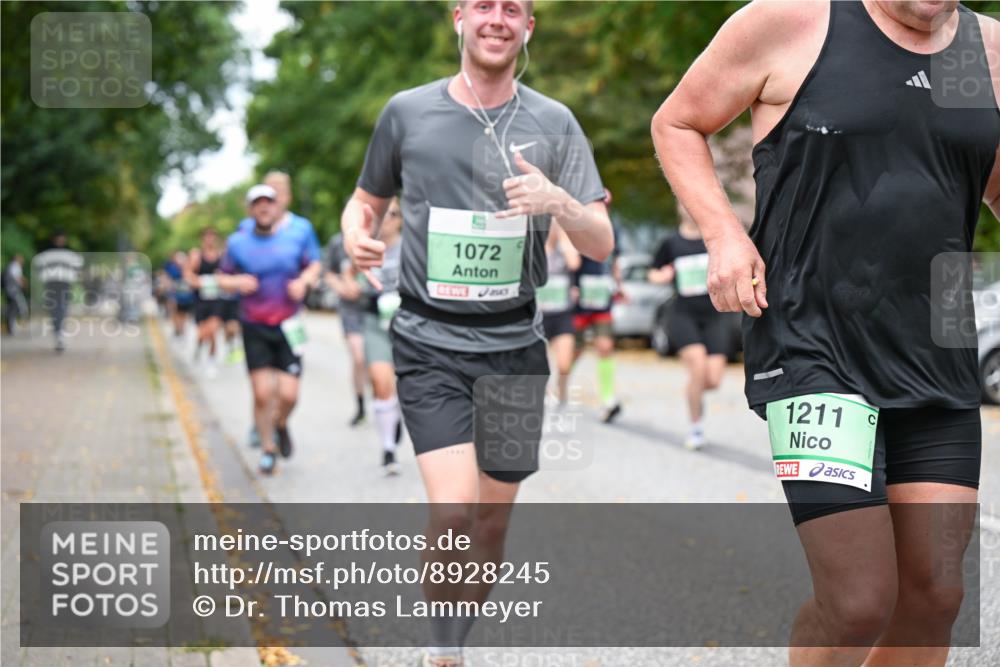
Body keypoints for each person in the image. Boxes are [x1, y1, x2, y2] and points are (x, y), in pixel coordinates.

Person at [651, 1, 999, 665]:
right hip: (815, 346)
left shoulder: (983, 50)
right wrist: (725, 235)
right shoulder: (796, 23)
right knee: (858, 601)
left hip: (938, 350)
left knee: (935, 598)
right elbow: (678, 121)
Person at [342, 2, 613, 664]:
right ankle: (442, 652)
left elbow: (601, 239)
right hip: (429, 342)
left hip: (515, 349)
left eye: (513, 9)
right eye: (484, 5)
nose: (498, 18)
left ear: (528, 29)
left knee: (490, 525)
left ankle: (453, 635)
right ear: (458, 19)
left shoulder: (555, 121)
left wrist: (559, 202)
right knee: (455, 513)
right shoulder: (407, 112)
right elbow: (367, 199)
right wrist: (356, 231)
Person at [219, 184, 322, 475]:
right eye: (258, 203)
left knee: (289, 395)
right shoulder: (238, 242)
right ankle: (267, 448)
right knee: (263, 393)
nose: (264, 207)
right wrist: (236, 283)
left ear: (278, 207)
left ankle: (280, 423)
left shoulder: (297, 235)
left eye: (269, 202)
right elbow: (221, 278)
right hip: (254, 325)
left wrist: (303, 282)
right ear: (250, 209)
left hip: (289, 325)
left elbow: (314, 266)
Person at [648, 212, 731, 450]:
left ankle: (692, 391)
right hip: (683, 314)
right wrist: (662, 276)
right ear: (679, 207)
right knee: (697, 366)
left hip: (714, 315)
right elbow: (652, 272)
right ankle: (696, 429)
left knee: (712, 380)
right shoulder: (671, 242)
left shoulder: (713, 238)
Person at [339, 197, 406, 475]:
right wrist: (348, 285)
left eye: (393, 214)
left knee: (404, 387)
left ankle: (395, 414)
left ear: (401, 218)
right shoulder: (365, 244)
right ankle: (389, 449)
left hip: (409, 323)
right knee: (380, 382)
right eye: (382, 214)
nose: (387, 220)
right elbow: (347, 271)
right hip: (374, 321)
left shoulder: (413, 245)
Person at [571, 187, 623, 423]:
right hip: (580, 299)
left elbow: (615, 261)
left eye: (607, 205)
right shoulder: (579, 229)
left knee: (605, 346)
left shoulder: (614, 230)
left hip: (602, 298)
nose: (604, 209)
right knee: (574, 351)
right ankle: (559, 387)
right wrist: (572, 286)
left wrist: (619, 285)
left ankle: (608, 399)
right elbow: (570, 262)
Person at [325, 231, 368, 426]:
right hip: (350, 309)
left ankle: (385, 403)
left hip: (376, 308)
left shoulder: (379, 236)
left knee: (380, 364)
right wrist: (341, 287)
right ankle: (360, 405)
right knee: (359, 357)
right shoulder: (337, 242)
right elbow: (327, 273)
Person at [538, 222, 580, 406]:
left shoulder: (564, 248)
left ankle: (561, 389)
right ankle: (543, 392)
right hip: (539, 314)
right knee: (539, 364)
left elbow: (575, 263)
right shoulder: (536, 248)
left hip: (562, 313)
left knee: (565, 362)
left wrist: (563, 238)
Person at [32, 231, 83, 352]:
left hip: (65, 284)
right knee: (55, 310)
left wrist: (72, 277)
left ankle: (60, 334)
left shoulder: (69, 253)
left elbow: (77, 267)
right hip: (51, 284)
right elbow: (38, 266)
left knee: (62, 308)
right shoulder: (47, 254)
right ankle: (58, 334)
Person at [185, 227, 225, 377]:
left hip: (216, 299)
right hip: (201, 300)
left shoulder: (221, 255)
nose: (209, 239)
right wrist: (198, 282)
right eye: (206, 237)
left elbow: (228, 273)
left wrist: (221, 279)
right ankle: (198, 347)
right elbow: (187, 274)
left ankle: (211, 361)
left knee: (213, 331)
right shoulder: (196, 255)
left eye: (212, 236)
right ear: (202, 239)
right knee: (203, 333)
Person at [164, 251, 194, 339]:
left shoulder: (187, 269)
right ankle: (177, 328)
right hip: (174, 294)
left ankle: (182, 329)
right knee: (175, 311)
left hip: (186, 296)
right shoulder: (171, 268)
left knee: (184, 313)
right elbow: (167, 278)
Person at [2, 254, 27, 335]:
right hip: (13, 291)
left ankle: (11, 327)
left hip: (10, 290)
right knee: (18, 308)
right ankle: (14, 327)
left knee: (12, 308)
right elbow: (17, 278)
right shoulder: (15, 266)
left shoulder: (11, 266)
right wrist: (24, 283)